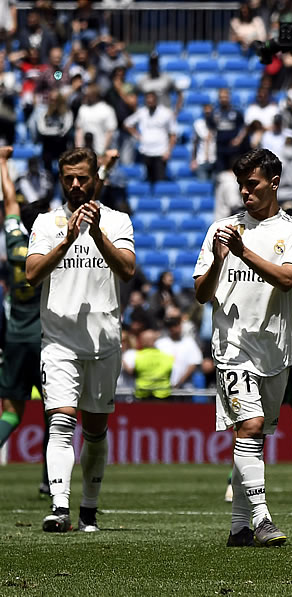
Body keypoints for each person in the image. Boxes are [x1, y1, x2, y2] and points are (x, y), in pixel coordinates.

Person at [193, 148, 292, 547]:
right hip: (232, 347)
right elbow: (200, 293)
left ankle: (238, 528)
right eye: (241, 185)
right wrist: (217, 260)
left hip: (275, 350)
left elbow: (286, 280)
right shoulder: (222, 229)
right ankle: (262, 519)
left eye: (253, 184)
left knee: (255, 435)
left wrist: (242, 252)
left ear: (275, 183)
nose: (245, 192)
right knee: (248, 427)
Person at [26, 146, 134, 533]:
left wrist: (96, 233)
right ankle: (60, 506)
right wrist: (68, 239)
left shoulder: (118, 221)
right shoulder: (46, 222)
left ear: (95, 180)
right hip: (58, 341)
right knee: (60, 423)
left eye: (82, 178)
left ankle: (89, 507)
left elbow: (127, 269)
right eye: (68, 178)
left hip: (104, 343)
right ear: (60, 180)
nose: (75, 185)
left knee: (95, 430)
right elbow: (31, 273)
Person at [0, 147, 48, 495]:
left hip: (14, 337)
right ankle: (50, 481)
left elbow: (10, 206)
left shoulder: (15, 242)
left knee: (12, 413)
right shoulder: (48, 250)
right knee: (56, 413)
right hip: (47, 340)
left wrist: (2, 164)